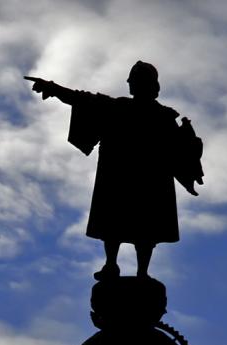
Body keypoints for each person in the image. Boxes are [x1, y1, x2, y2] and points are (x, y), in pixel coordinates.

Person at [26, 61, 203, 279]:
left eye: (137, 82)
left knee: (146, 228)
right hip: (118, 176)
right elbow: (81, 99)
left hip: (149, 180)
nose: (133, 85)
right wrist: (52, 88)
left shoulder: (163, 117)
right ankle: (112, 264)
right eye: (133, 81)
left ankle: (141, 272)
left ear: (150, 86)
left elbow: (180, 149)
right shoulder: (118, 107)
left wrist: (191, 145)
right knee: (113, 223)